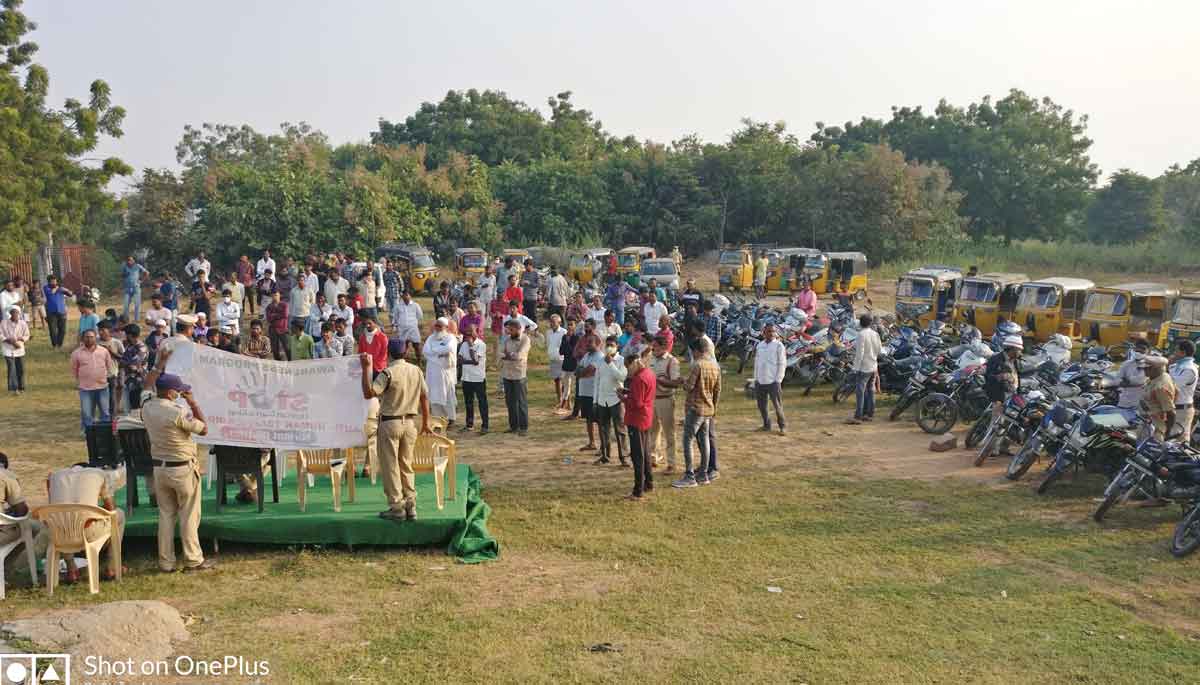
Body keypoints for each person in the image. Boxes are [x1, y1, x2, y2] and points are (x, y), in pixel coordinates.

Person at [141, 353, 215, 572]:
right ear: (171, 392)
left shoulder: (147, 406)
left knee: (166, 515)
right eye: (179, 390)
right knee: (189, 514)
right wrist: (192, 402)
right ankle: (193, 560)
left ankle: (166, 562)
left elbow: (147, 384)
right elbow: (204, 428)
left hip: (160, 468)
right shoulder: (178, 412)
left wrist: (159, 364)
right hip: (181, 469)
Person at [360, 341, 431, 521]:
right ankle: (411, 504)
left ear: (387, 353)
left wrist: (366, 368)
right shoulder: (416, 370)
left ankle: (397, 506)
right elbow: (424, 397)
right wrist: (426, 422)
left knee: (390, 466)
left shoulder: (388, 372)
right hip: (409, 423)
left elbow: (369, 393)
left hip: (390, 422)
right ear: (406, 352)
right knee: (406, 464)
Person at [45, 463, 126, 582]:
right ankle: (112, 567)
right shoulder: (98, 474)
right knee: (119, 515)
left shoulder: (54, 477)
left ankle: (71, 569)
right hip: (87, 532)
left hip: (59, 534)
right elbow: (111, 509)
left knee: (63, 521)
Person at [674, 337, 721, 488]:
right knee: (705, 440)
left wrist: (683, 381)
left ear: (696, 351)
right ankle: (703, 474)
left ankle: (689, 476)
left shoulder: (697, 365)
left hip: (695, 408)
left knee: (688, 440)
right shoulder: (715, 366)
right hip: (708, 408)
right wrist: (714, 408)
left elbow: (689, 387)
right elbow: (717, 390)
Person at [621, 347, 657, 500]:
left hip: (636, 419)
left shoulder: (638, 379)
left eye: (628, 367)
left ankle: (638, 490)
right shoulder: (649, 373)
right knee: (646, 452)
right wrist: (628, 393)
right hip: (647, 417)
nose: (627, 371)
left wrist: (623, 398)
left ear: (633, 364)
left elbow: (636, 403)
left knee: (638, 455)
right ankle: (649, 483)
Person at [593, 336, 629, 465]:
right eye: (607, 345)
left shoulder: (621, 360)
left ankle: (623, 457)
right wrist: (595, 400)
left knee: (620, 429)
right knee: (603, 429)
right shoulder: (600, 361)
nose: (609, 347)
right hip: (602, 400)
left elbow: (621, 377)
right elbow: (597, 381)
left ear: (617, 346)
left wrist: (611, 364)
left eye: (611, 345)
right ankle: (605, 455)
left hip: (616, 399)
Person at [72, 329, 116, 433]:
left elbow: (109, 366)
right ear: (83, 338)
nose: (89, 339)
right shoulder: (76, 353)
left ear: (95, 338)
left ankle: (106, 433)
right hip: (85, 388)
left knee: (105, 413)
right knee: (87, 413)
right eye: (87, 337)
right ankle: (89, 433)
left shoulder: (103, 351)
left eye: (91, 337)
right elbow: (74, 370)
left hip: (102, 387)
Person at [648, 334, 681, 471]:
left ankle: (671, 462)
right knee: (652, 431)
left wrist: (659, 381)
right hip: (652, 399)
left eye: (655, 346)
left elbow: (676, 383)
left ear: (663, 347)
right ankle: (653, 457)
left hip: (666, 399)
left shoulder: (672, 361)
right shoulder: (650, 359)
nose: (652, 348)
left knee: (669, 432)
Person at [981, 333, 1023, 425]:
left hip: (1011, 393)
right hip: (998, 393)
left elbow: (1017, 377)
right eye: (1019, 350)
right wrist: (1000, 377)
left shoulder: (1015, 362)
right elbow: (989, 377)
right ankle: (992, 431)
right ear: (1012, 349)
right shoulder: (996, 360)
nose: (1020, 352)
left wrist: (1018, 392)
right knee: (997, 419)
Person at [754, 323, 787, 435]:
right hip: (760, 380)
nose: (771, 334)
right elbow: (757, 363)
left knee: (777, 405)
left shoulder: (779, 346)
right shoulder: (760, 345)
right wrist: (756, 378)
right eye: (769, 331)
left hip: (773, 381)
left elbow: (782, 363)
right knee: (761, 405)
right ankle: (766, 425)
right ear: (764, 333)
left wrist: (778, 379)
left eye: (773, 331)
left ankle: (782, 426)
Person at [423, 317, 458, 423]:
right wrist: (439, 354)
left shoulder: (451, 338)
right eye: (436, 325)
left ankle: (451, 418)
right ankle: (438, 418)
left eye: (439, 326)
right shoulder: (431, 338)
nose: (437, 328)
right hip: (432, 373)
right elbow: (425, 351)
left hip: (445, 373)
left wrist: (433, 351)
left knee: (447, 394)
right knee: (433, 394)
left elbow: (449, 349)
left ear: (446, 327)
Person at [500, 318, 531, 435]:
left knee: (521, 401)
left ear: (519, 329)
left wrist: (509, 355)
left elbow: (519, 355)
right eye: (509, 330)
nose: (510, 332)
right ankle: (513, 426)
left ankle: (523, 428)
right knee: (510, 401)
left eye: (512, 330)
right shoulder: (507, 339)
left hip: (519, 375)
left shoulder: (525, 339)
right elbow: (500, 353)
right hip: (507, 374)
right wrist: (509, 356)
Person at [574, 331, 603, 449]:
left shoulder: (600, 357)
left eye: (590, 343)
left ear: (597, 343)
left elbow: (590, 371)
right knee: (588, 418)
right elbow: (577, 371)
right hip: (584, 392)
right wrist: (583, 372)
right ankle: (592, 442)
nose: (587, 344)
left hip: (594, 393)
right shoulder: (586, 356)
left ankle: (603, 445)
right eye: (587, 342)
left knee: (599, 420)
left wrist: (583, 372)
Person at [458, 324, 489, 434]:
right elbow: (459, 360)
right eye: (467, 332)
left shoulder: (481, 345)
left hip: (478, 378)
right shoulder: (463, 344)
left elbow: (476, 361)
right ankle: (469, 424)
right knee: (468, 402)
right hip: (466, 377)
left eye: (471, 331)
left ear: (477, 331)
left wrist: (471, 346)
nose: (468, 334)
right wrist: (468, 361)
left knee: (482, 402)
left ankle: (485, 425)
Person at [1140, 354, 1177, 441]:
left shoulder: (1160, 387)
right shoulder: (1158, 377)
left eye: (1147, 368)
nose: (1144, 370)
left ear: (1156, 369)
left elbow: (1171, 413)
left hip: (1155, 428)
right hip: (1148, 421)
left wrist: (1167, 433)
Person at [1170, 339, 1198, 439]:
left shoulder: (1189, 369)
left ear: (1183, 353)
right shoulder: (1175, 366)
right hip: (1172, 408)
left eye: (1175, 350)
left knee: (1179, 443)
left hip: (1182, 410)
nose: (1173, 353)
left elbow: (1172, 386)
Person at [97, 321, 125, 413]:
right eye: (99, 330)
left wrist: (111, 351)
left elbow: (124, 358)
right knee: (101, 396)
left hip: (112, 373)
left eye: (102, 330)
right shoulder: (95, 342)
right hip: (98, 374)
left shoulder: (117, 343)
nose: (100, 332)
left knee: (111, 396)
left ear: (109, 331)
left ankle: (112, 416)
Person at [119, 324, 149, 410]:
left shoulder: (142, 348)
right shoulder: (129, 346)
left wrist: (124, 362)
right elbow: (124, 362)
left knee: (136, 410)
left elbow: (133, 365)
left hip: (138, 382)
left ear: (130, 335)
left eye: (126, 334)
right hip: (128, 380)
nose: (124, 336)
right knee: (127, 410)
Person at [1117, 337, 1152, 410]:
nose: (1139, 350)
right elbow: (1118, 381)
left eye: (1143, 348)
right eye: (1137, 348)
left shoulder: (1151, 366)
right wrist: (1139, 384)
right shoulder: (1126, 364)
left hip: (1142, 404)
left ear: (1148, 351)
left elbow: (1142, 382)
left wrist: (1128, 383)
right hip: (1125, 402)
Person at [2, 305, 30, 394]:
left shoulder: (23, 323)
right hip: (8, 349)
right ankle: (13, 388)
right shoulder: (4, 322)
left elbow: (27, 335)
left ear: (19, 314)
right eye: (13, 313)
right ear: (10, 314)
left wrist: (20, 339)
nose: (15, 315)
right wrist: (7, 339)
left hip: (19, 349)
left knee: (20, 368)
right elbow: (0, 334)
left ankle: (21, 387)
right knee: (11, 368)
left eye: (17, 313)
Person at [43, 275, 73, 349]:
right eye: (52, 281)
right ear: (49, 281)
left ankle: (59, 344)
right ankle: (54, 345)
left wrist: (67, 290)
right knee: (53, 330)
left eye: (55, 280)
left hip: (62, 311)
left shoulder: (60, 288)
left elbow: (70, 294)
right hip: (51, 312)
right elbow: (52, 292)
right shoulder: (46, 288)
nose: (54, 282)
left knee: (62, 330)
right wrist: (58, 288)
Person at [545, 314, 568, 411]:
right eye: (551, 322)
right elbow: (548, 343)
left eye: (554, 322)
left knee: (564, 381)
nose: (552, 324)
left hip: (562, 359)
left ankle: (565, 401)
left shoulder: (564, 332)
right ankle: (559, 400)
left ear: (559, 322)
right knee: (556, 381)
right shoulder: (548, 332)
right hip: (553, 358)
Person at [557, 318, 580, 414]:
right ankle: (565, 402)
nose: (569, 326)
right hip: (566, 363)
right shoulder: (564, 337)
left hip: (574, 364)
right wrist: (566, 341)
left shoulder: (577, 337)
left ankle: (572, 404)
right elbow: (561, 351)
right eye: (568, 324)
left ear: (575, 326)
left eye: (571, 324)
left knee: (574, 385)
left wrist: (567, 342)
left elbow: (573, 351)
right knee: (565, 384)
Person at [393, 290, 423, 358]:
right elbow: (395, 317)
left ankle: (419, 360)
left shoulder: (415, 305)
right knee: (403, 346)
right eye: (403, 295)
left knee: (416, 345)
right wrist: (395, 326)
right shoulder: (398, 306)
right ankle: (403, 360)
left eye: (407, 295)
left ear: (410, 296)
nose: (405, 297)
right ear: (402, 296)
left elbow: (420, 316)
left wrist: (413, 322)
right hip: (402, 329)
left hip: (413, 328)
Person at [120, 255, 149, 320]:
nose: (129, 261)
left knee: (137, 304)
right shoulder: (124, 266)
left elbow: (147, 273)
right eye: (128, 260)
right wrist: (125, 274)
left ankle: (137, 319)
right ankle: (126, 319)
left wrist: (141, 280)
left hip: (136, 287)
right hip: (127, 287)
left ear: (133, 261)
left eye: (131, 260)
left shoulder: (137, 266)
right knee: (126, 304)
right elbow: (121, 275)